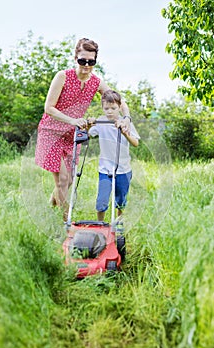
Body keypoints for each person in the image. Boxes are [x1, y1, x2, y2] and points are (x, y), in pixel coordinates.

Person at [35, 38, 132, 221]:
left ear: (95, 61)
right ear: (75, 58)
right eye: (82, 60)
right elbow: (49, 108)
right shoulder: (62, 76)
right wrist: (72, 120)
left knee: (69, 180)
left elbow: (117, 99)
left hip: (72, 136)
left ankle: (51, 205)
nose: (86, 65)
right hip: (51, 133)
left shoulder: (95, 82)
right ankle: (65, 224)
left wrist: (126, 118)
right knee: (63, 180)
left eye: (91, 61)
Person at [88, 90, 140, 221]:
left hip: (123, 170)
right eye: (106, 108)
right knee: (101, 201)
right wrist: (89, 123)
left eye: (113, 108)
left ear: (119, 107)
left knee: (121, 200)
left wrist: (125, 133)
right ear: (102, 108)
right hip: (105, 170)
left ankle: (119, 224)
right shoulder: (101, 122)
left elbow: (136, 143)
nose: (110, 111)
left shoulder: (126, 123)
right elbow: (89, 133)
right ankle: (100, 225)